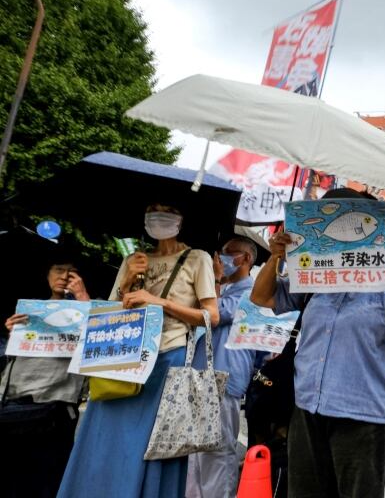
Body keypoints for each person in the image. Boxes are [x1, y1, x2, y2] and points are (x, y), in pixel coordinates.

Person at [250, 188, 385, 498]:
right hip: (308, 409)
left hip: (364, 419)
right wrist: (276, 257)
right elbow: (262, 296)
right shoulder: (314, 279)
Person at [57, 203, 218, 498]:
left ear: (182, 217)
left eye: (168, 208)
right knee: (104, 435)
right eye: (152, 208)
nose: (159, 214)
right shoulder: (134, 258)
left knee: (150, 444)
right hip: (122, 356)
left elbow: (212, 316)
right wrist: (128, 281)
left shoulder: (198, 258)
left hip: (168, 359)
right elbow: (112, 311)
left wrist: (161, 302)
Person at [0, 260, 90, 498]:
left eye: (73, 271)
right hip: (15, 401)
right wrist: (13, 333)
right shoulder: (31, 310)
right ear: (47, 274)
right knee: (14, 478)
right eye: (59, 269)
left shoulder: (89, 306)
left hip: (56, 405)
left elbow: (99, 339)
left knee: (48, 479)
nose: (65, 276)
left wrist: (82, 296)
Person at [186, 236, 258, 498]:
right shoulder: (227, 290)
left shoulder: (252, 292)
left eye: (229, 254)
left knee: (217, 453)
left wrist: (214, 278)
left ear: (246, 259)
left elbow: (212, 315)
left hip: (224, 377)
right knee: (194, 451)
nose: (222, 259)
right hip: (202, 374)